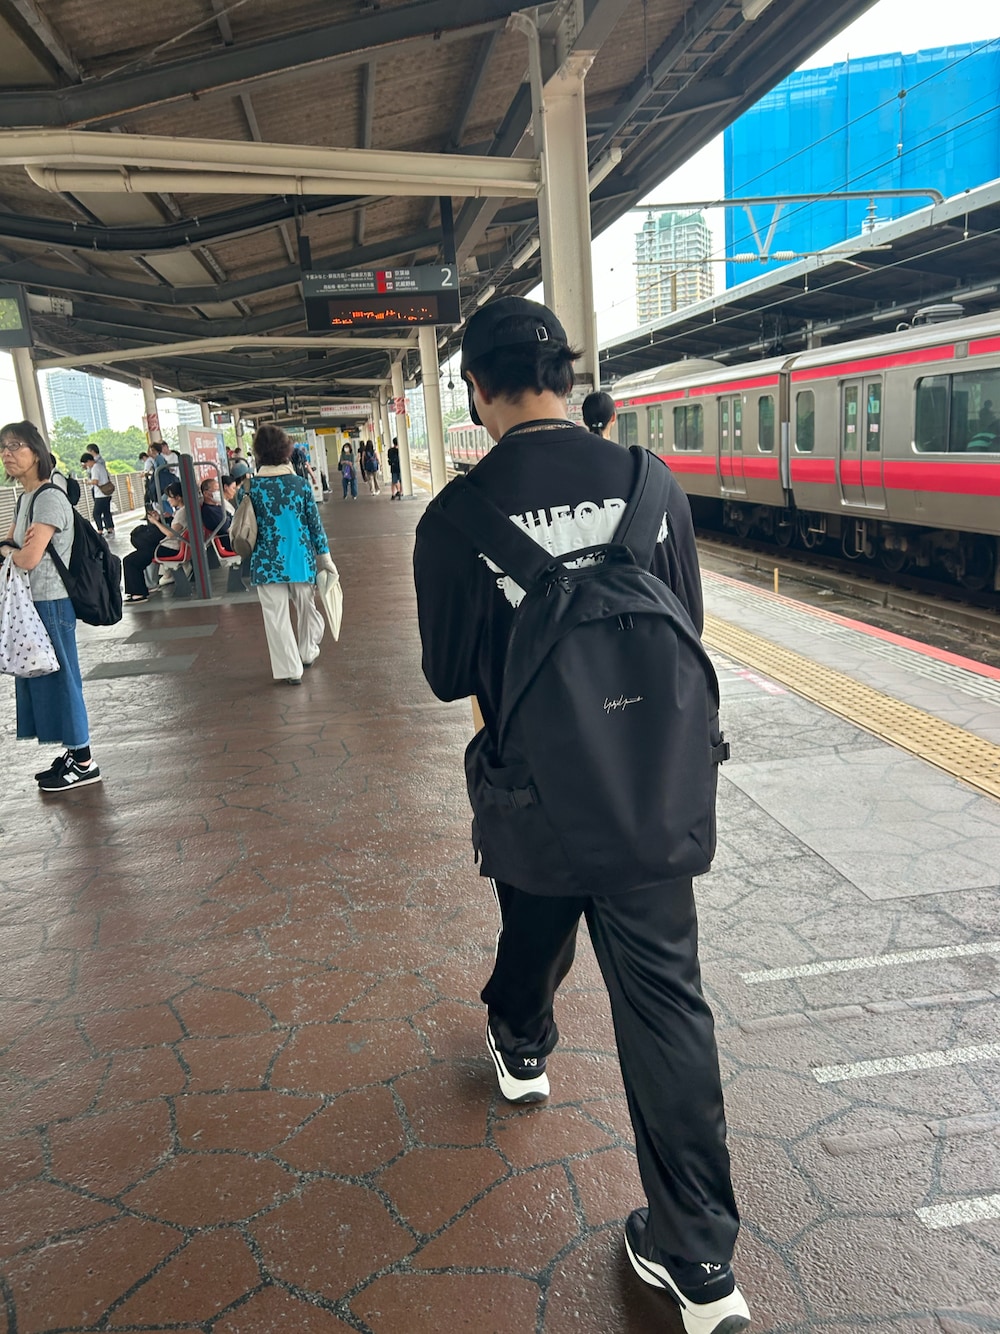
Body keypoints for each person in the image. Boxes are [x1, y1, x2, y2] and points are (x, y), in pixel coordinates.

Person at [412, 297, 748, 1334]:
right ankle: (700, 1264)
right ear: (567, 374)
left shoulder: (456, 517)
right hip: (651, 791)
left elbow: (444, 674)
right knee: (667, 1005)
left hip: (538, 797)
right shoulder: (652, 484)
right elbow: (685, 624)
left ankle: (521, 1044)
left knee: (537, 919)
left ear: (475, 390)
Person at [0, 421, 101, 790]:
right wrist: (12, 549)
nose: (7, 454)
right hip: (33, 604)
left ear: (37, 451)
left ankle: (85, 762)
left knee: (64, 680)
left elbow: (26, 558)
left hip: (52, 602)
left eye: (16, 446)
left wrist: (11, 550)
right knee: (44, 679)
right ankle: (73, 753)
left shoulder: (49, 497)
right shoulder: (25, 498)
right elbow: (12, 546)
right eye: (3, 448)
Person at [248, 425, 335, 684]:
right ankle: (307, 651)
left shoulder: (251, 487)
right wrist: (325, 558)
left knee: (276, 617)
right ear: (286, 450)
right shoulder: (299, 485)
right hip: (299, 558)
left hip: (266, 562)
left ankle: (291, 669)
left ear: (258, 453)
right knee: (306, 607)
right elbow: (314, 525)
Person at [81, 449, 114, 536]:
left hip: (100, 494)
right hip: (107, 493)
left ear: (89, 461)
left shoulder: (95, 468)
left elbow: (95, 481)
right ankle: (110, 528)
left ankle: (100, 530)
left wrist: (87, 482)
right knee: (106, 511)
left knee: (96, 513)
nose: (87, 466)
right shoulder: (101, 466)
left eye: (86, 463)